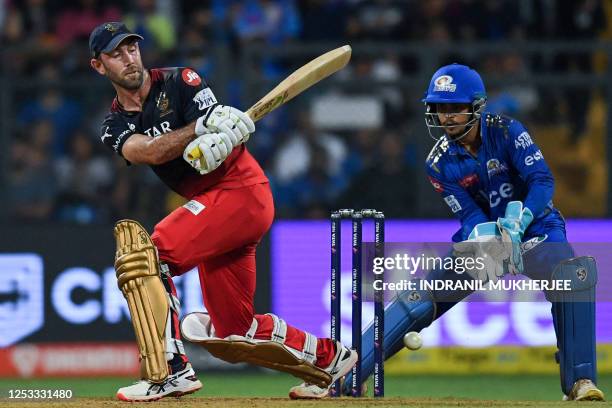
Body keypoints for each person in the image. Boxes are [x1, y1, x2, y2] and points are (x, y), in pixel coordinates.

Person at [292, 63, 605, 401]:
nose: (446, 117)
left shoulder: (508, 131)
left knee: (573, 276)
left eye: (455, 108)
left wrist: (521, 220)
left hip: (537, 230)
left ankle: (580, 382)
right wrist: (490, 237)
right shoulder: (438, 163)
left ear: (477, 106)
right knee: (418, 299)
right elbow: (469, 215)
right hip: (487, 242)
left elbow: (542, 181)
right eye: (440, 108)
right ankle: (345, 377)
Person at [89, 22, 356, 402]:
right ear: (99, 66)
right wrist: (197, 130)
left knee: (147, 255)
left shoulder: (181, 80)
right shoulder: (113, 124)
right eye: (116, 54)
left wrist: (223, 133)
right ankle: (333, 361)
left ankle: (169, 372)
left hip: (239, 192)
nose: (128, 58)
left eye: (132, 48)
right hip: (220, 209)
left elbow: (222, 123)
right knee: (235, 331)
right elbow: (147, 151)